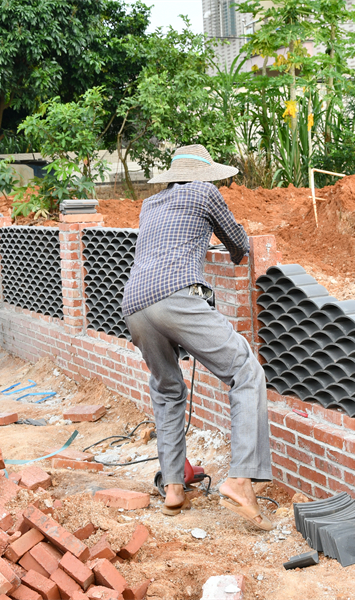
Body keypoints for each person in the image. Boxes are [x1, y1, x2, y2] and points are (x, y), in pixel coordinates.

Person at [122, 144, 273, 531]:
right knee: (245, 371)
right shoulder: (206, 192)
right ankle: (241, 479)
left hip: (135, 304)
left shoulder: (150, 206)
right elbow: (239, 245)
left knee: (168, 390)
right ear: (204, 175)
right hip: (175, 298)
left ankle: (173, 487)